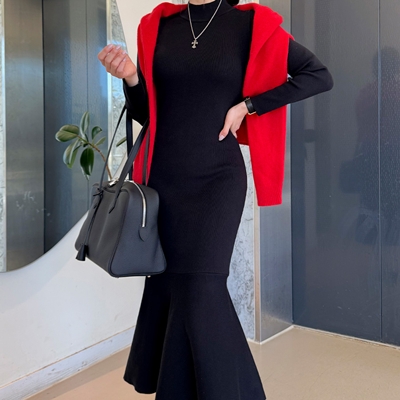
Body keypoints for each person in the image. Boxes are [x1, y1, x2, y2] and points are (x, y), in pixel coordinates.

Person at [98, 0, 333, 398]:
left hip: (217, 180)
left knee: (201, 289)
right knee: (175, 286)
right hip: (163, 182)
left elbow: (318, 75)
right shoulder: (158, 25)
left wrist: (248, 106)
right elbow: (146, 114)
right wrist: (132, 77)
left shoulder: (250, 24)